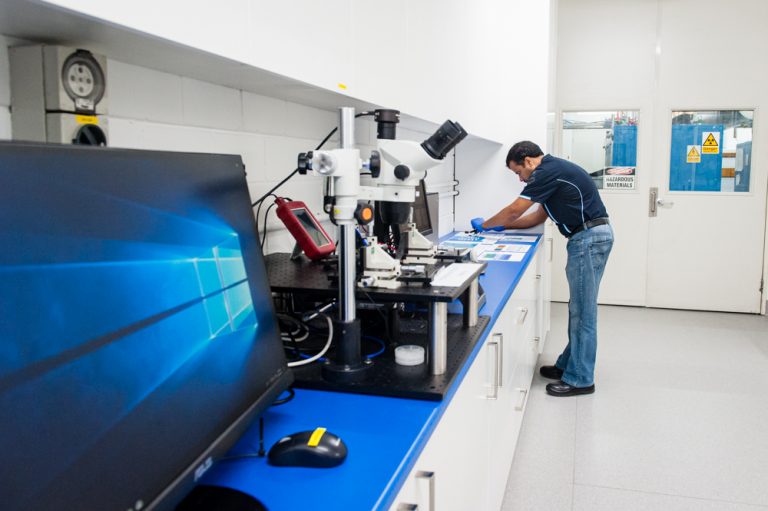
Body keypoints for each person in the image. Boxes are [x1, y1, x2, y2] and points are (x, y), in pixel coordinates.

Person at [471, 141, 613, 397]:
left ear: (528, 161)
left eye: (518, 173)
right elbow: (535, 218)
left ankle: (581, 379)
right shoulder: (552, 174)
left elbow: (515, 210)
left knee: (583, 311)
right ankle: (567, 366)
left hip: (589, 239)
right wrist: (503, 228)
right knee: (579, 307)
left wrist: (486, 226)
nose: (520, 179)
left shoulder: (545, 171)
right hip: (591, 237)